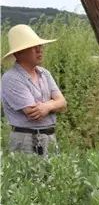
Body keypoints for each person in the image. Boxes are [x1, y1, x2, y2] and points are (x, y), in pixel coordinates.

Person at [1, 24, 67, 156]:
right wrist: (54, 104)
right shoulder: (11, 78)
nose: (39, 50)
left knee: (54, 176)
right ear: (18, 53)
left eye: (40, 46)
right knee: (29, 176)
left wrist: (47, 106)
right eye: (33, 47)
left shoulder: (44, 73)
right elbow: (33, 113)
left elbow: (63, 103)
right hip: (26, 141)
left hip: (49, 138)